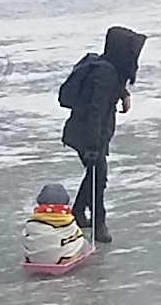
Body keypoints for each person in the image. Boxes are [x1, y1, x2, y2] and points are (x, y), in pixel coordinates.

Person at [57, 27, 141, 245]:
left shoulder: (111, 69)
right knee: (98, 175)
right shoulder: (105, 74)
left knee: (94, 173)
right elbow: (96, 110)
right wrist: (93, 146)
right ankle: (98, 223)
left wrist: (124, 94)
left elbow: (111, 90)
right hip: (86, 134)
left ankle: (77, 211)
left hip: (92, 133)